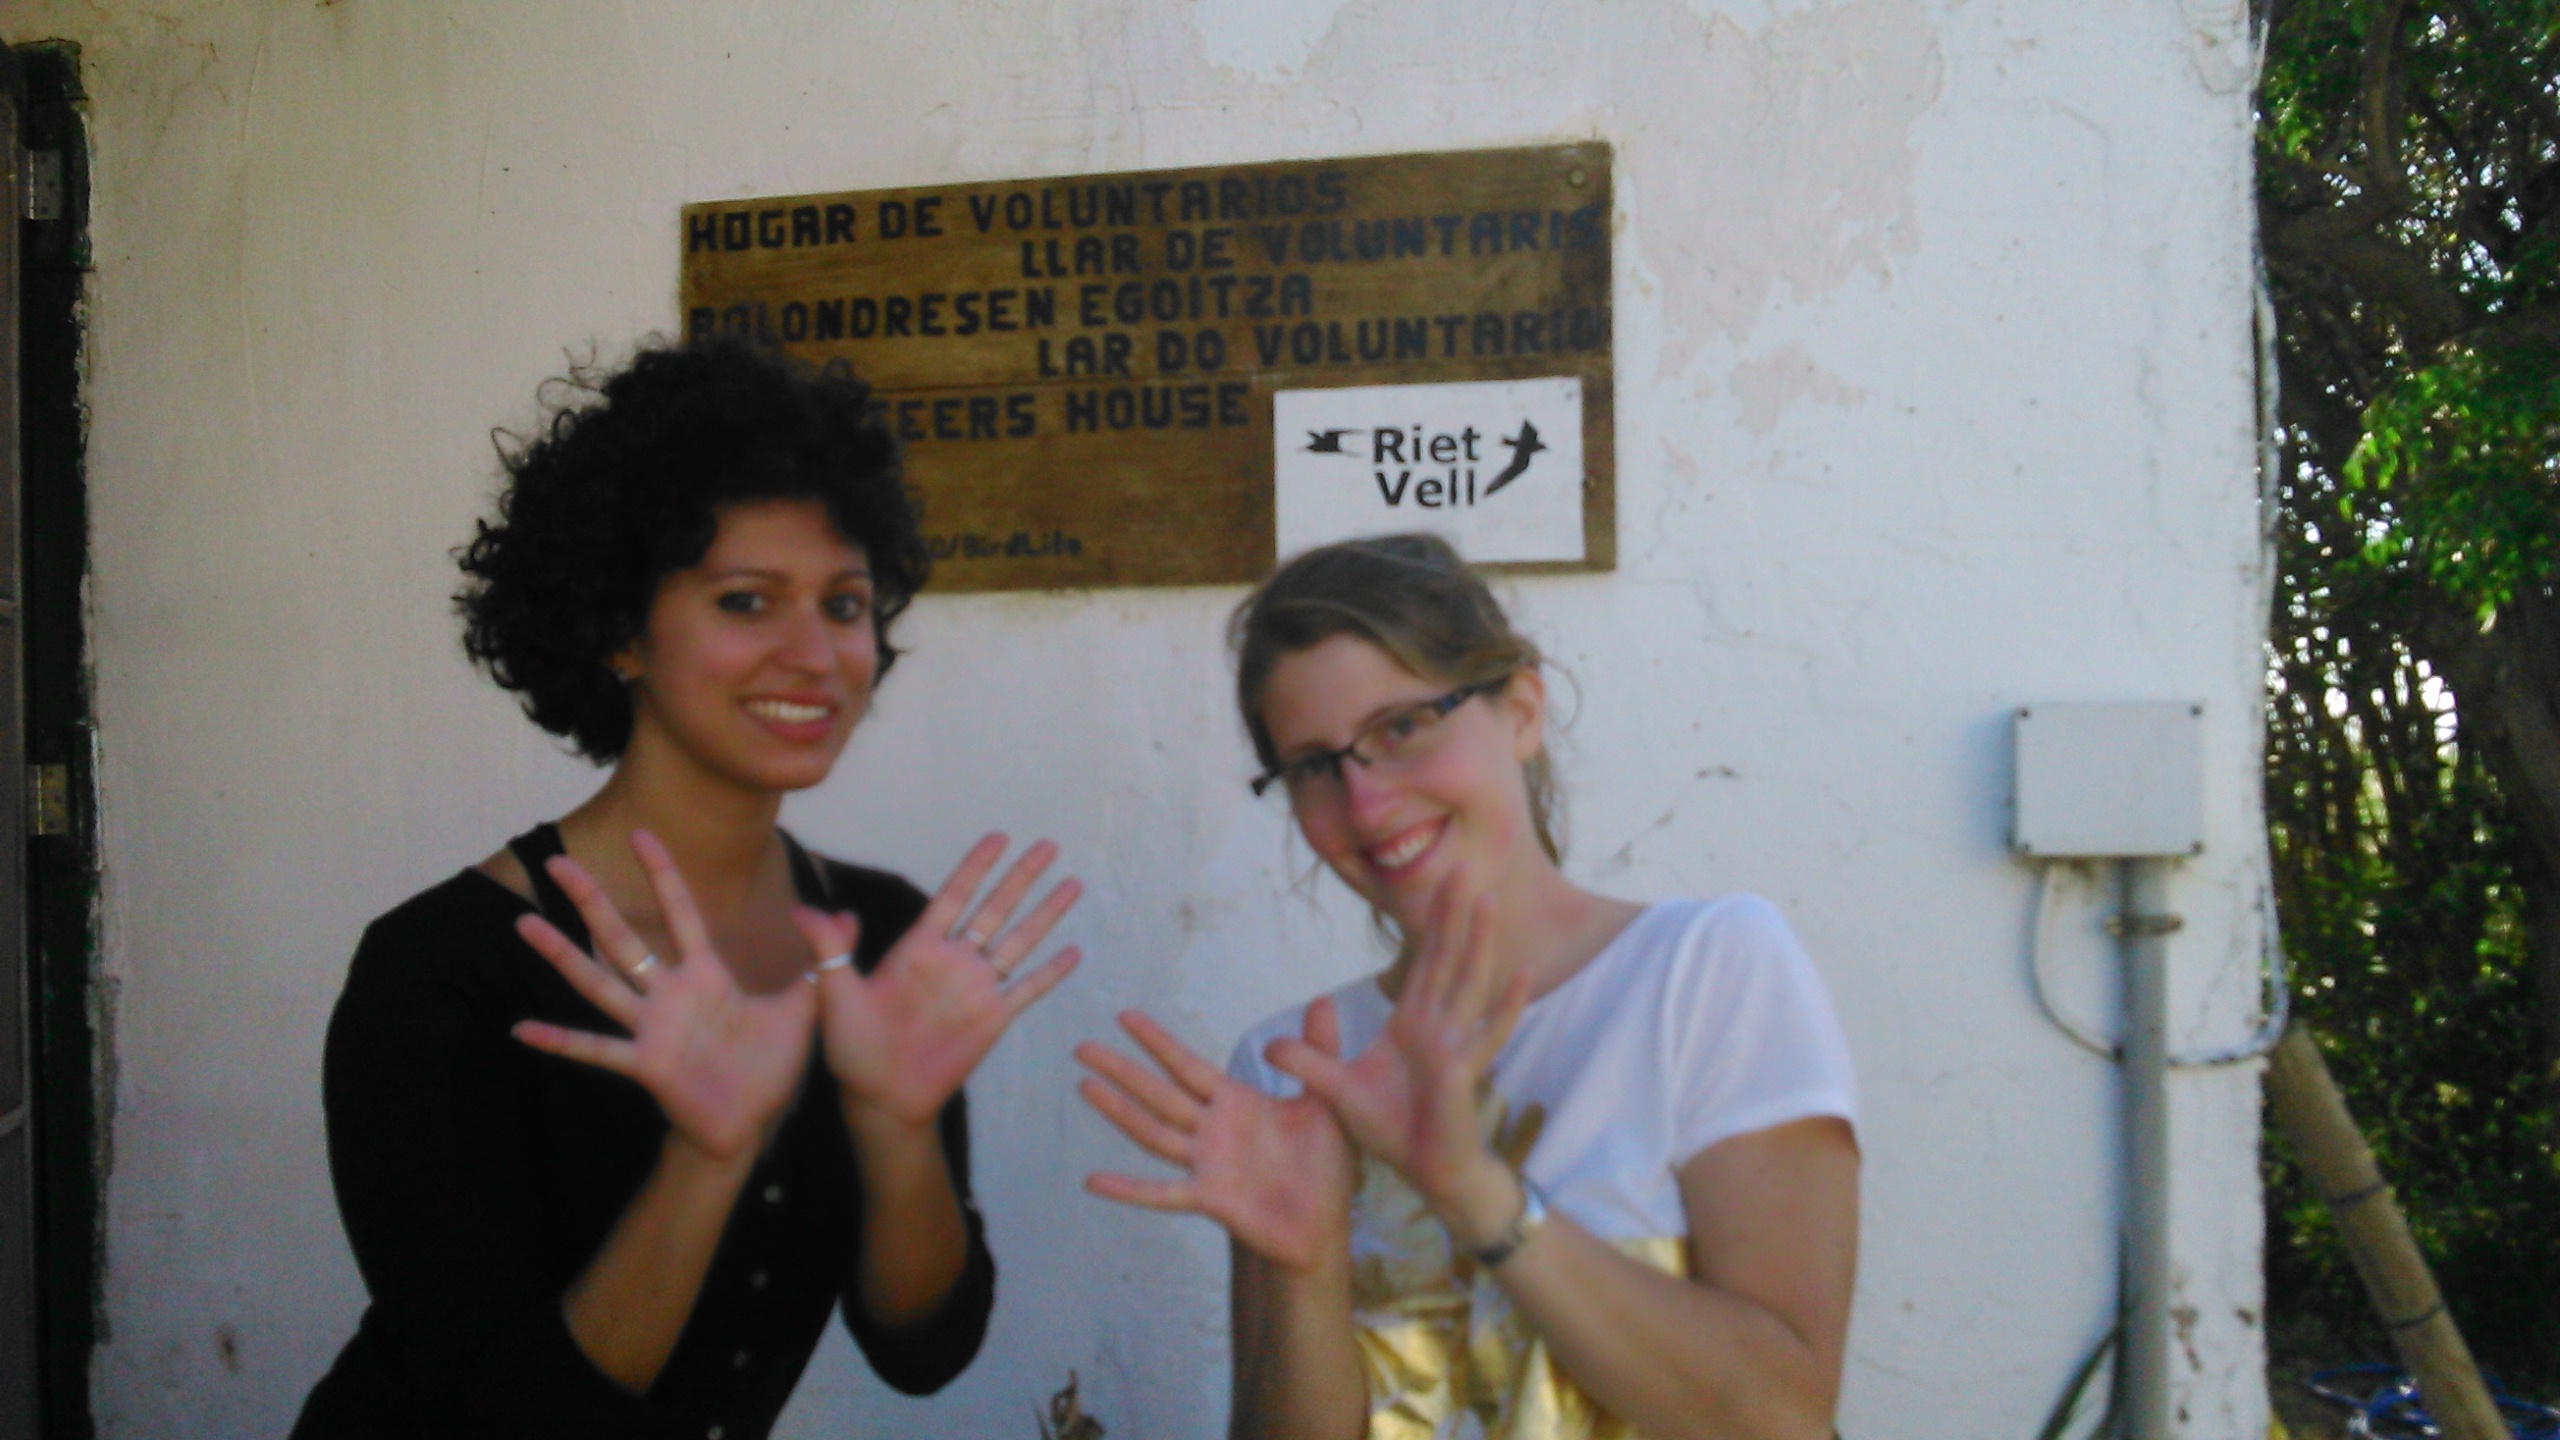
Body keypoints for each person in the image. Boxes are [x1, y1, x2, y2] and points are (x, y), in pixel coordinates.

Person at [294, 337, 1081, 1440]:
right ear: (620, 630)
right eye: (748, 602)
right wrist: (705, 1158)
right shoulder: (440, 971)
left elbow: (924, 1351)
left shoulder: (883, 935)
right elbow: (508, 1423)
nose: (815, 653)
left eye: (846, 604)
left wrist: (895, 1127)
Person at [1074, 534, 1860, 1440]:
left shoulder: (1707, 970)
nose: (1365, 806)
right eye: (1316, 766)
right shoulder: (1295, 1066)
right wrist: (1307, 1271)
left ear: (1521, 709)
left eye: (1401, 728)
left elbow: (1786, 1415)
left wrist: (1468, 1186)